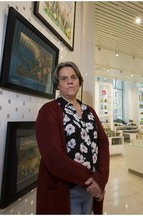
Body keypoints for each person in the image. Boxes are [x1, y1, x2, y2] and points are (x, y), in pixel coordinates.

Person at [35, 61, 110, 214]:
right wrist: (92, 180)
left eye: (73, 77)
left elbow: (103, 143)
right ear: (57, 85)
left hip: (90, 191)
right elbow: (54, 158)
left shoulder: (89, 111)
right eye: (64, 78)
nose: (69, 81)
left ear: (79, 81)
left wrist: (101, 179)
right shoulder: (49, 111)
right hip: (67, 190)